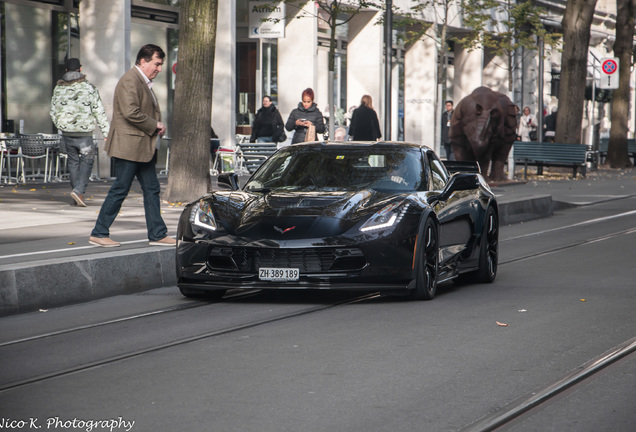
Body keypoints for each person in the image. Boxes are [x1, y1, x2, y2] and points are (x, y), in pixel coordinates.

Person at [89, 44, 175, 248]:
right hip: (129, 147)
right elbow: (130, 112)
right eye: (157, 63)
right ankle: (99, 232)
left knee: (152, 189)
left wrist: (155, 127)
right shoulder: (130, 80)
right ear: (143, 61)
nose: (159, 69)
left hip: (141, 148)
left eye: (161, 64)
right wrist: (156, 125)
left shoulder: (142, 81)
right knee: (120, 189)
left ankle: (157, 234)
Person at [50, 58, 110, 207]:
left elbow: (53, 111)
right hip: (84, 134)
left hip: (67, 132)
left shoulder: (58, 88)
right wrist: (106, 132)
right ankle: (79, 190)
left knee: (73, 161)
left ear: (66, 71)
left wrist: (61, 125)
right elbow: (98, 110)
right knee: (87, 160)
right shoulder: (89, 87)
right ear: (80, 70)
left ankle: (77, 194)